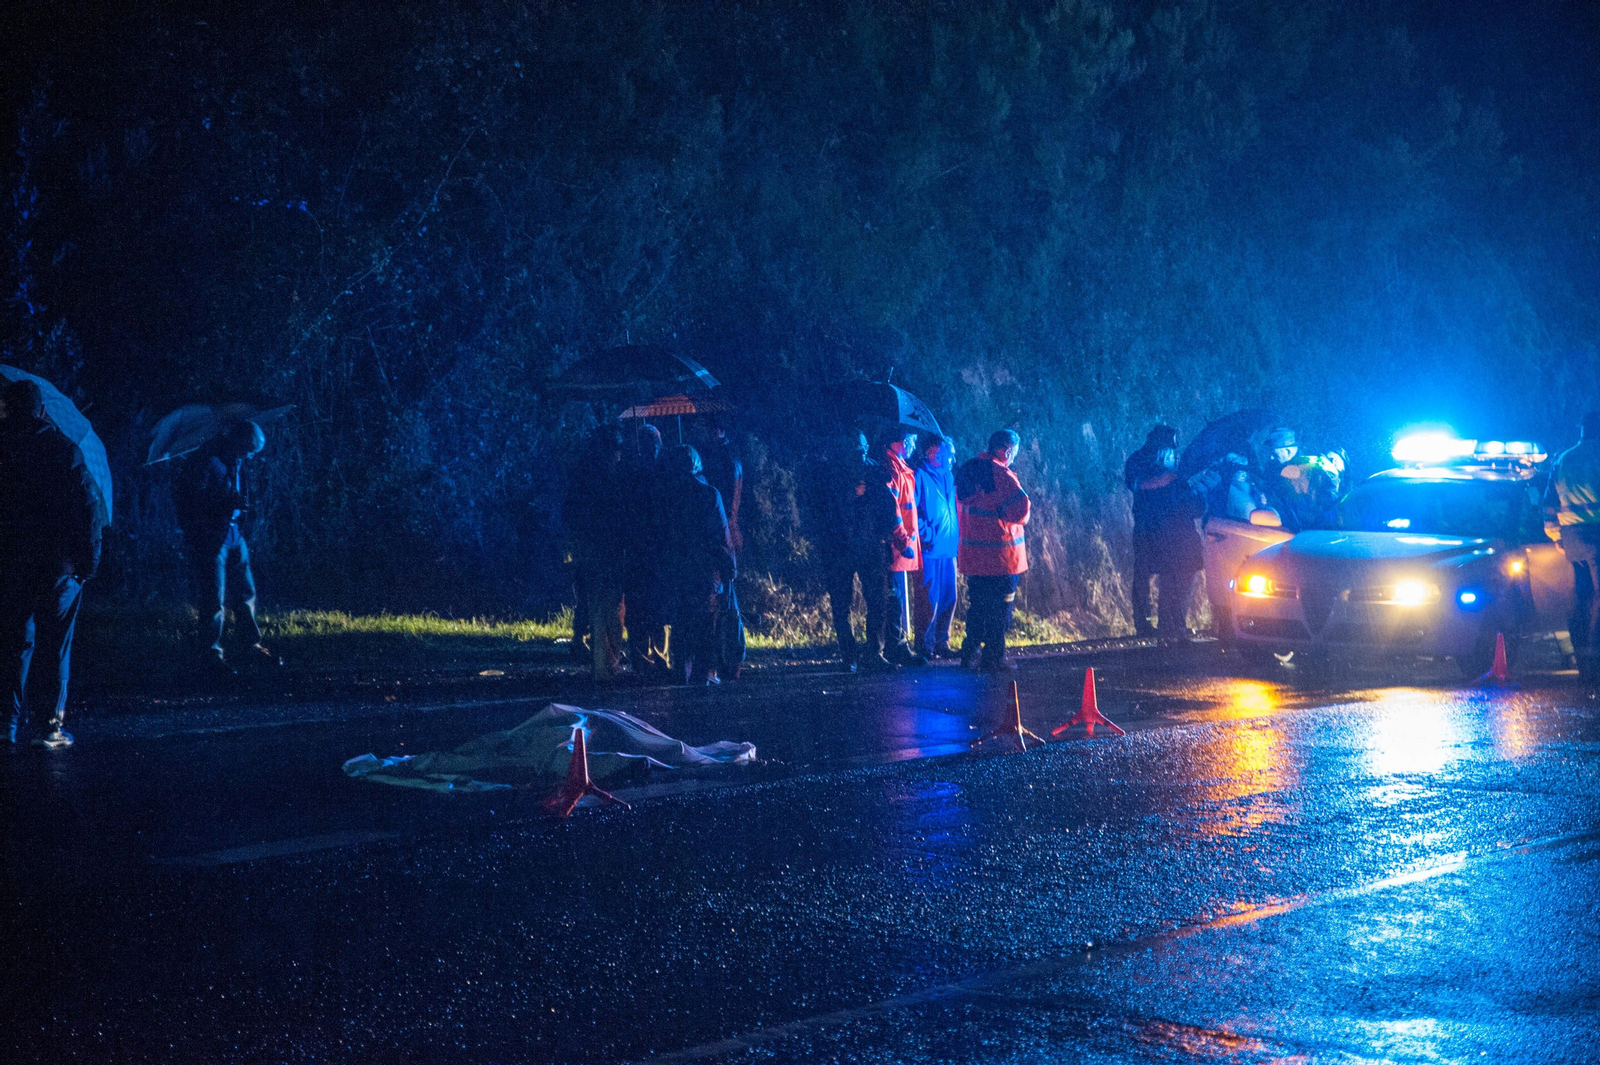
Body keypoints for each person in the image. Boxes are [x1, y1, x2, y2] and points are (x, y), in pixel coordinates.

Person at [0, 379, 100, 749]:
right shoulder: (62, 449)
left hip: (10, 560)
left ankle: (5, 723)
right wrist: (88, 561)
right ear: (42, 410)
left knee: (12, 642)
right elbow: (87, 508)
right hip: (58, 564)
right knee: (54, 644)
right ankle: (48, 726)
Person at [174, 419, 274, 672]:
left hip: (233, 532)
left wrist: (236, 507)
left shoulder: (234, 460)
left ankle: (249, 644)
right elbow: (190, 501)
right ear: (238, 441)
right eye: (248, 449)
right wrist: (225, 505)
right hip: (211, 535)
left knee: (244, 591)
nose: (250, 456)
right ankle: (211, 654)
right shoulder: (206, 459)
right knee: (213, 597)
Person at [654, 445, 737, 684]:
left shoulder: (667, 495)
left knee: (681, 622)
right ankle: (703, 674)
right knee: (705, 623)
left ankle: (682, 671)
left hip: (678, 568)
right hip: (706, 570)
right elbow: (721, 534)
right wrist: (728, 566)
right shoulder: (709, 494)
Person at [956, 429, 1031, 671]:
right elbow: (1022, 509)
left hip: (974, 558)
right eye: (1014, 452)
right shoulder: (1001, 474)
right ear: (1006, 450)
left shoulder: (967, 470)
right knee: (1000, 611)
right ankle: (994, 657)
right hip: (1001, 558)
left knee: (977, 607)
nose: (1013, 457)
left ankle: (970, 653)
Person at [561, 425, 629, 682]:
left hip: (590, 549)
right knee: (610, 607)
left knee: (597, 607)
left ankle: (603, 664)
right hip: (606, 549)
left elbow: (569, 512)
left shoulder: (583, 476)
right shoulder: (611, 480)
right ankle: (607, 663)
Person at [1124, 425, 1204, 636]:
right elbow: (1136, 484)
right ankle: (1146, 624)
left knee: (1167, 576)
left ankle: (1166, 624)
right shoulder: (1139, 461)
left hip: (1164, 532)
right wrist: (1166, 479)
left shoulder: (1171, 469)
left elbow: (1190, 503)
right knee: (1145, 577)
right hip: (1149, 529)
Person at [865, 429, 926, 669]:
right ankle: (883, 650)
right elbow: (892, 511)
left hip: (898, 545)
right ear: (898, 442)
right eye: (910, 441)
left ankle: (896, 646)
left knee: (894, 599)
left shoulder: (900, 468)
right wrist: (902, 540)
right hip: (890, 547)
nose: (913, 446)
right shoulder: (890, 470)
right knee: (887, 599)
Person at [1550, 412, 1600, 678]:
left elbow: (1549, 504)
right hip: (1597, 533)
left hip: (1572, 537)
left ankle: (1582, 659)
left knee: (1581, 597)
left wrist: (1557, 537)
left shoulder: (1563, 459)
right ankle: (1596, 659)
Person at [697, 417, 746, 680]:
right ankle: (732, 657)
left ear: (715, 430)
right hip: (729, 533)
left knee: (721, 598)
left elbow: (721, 501)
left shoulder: (719, 461)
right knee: (727, 597)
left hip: (721, 534)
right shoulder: (732, 458)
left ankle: (726, 658)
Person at [621, 422, 669, 678]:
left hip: (640, 550)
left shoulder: (632, 473)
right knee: (654, 606)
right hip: (653, 550)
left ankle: (644, 659)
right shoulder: (663, 474)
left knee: (641, 606)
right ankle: (659, 657)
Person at [913, 434, 959, 657]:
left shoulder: (948, 476)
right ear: (934, 454)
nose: (952, 459)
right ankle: (925, 645)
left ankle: (942, 642)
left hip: (948, 548)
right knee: (929, 600)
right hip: (930, 549)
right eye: (949, 454)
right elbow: (913, 512)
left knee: (949, 598)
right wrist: (928, 534)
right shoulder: (919, 476)